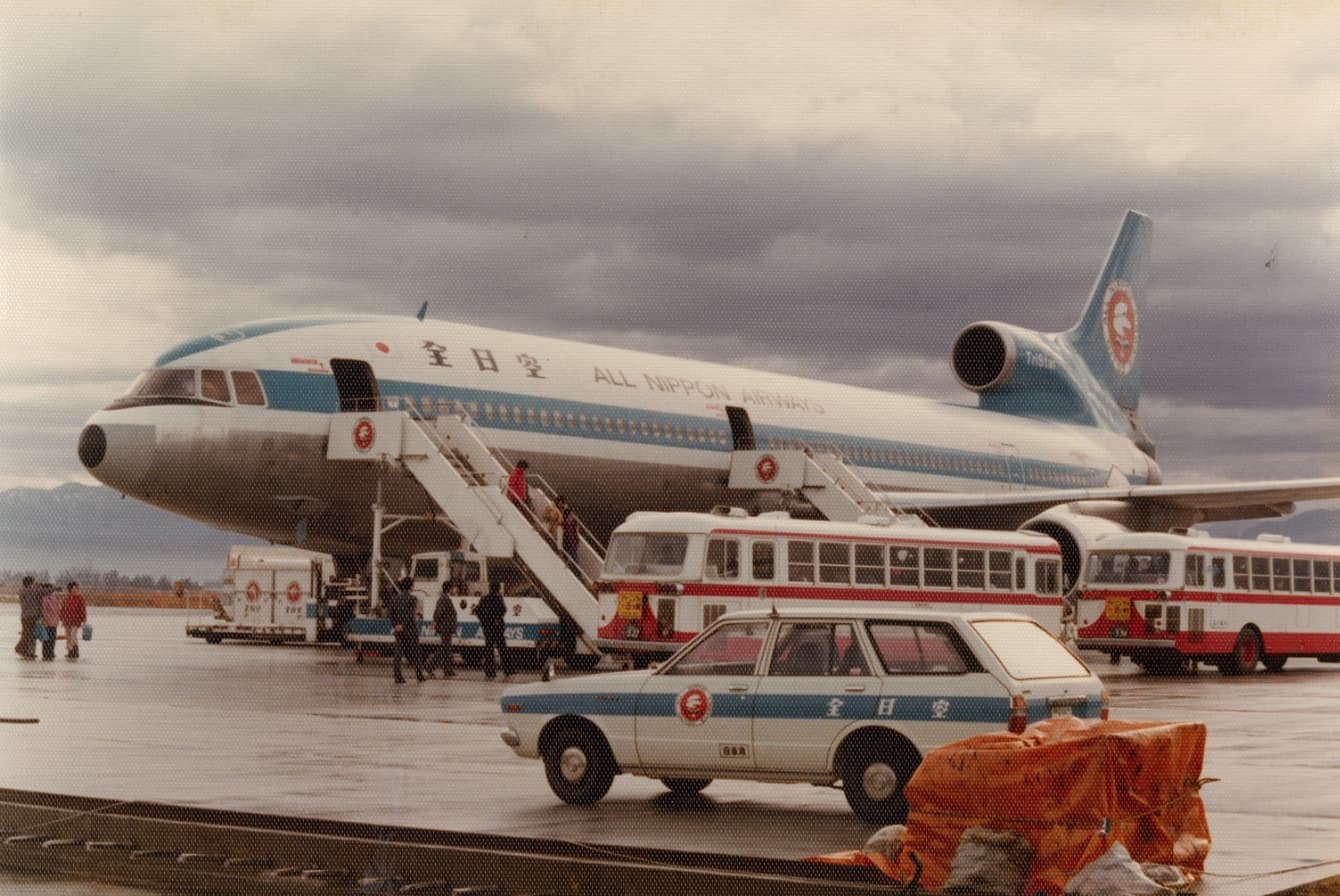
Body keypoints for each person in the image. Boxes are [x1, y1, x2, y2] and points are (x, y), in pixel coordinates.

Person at [383, 577, 424, 684]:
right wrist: (403, 624)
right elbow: (410, 614)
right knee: (416, 653)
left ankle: (397, 676)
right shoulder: (413, 599)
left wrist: (396, 625)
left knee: (398, 654)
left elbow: (390, 614)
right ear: (410, 586)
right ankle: (419, 675)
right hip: (410, 629)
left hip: (399, 630)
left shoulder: (394, 598)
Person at [473, 579, 512, 680]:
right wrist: (497, 618)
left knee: (489, 650)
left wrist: (483, 621)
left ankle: (490, 673)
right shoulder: (498, 598)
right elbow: (504, 610)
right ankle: (507, 671)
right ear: (498, 588)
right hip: (498, 628)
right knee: (502, 649)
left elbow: (477, 610)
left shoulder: (484, 598)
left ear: (489, 588)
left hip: (488, 628)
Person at [424, 580, 459, 678]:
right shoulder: (444, 599)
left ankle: (448, 670)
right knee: (444, 649)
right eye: (453, 587)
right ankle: (429, 666)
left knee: (447, 649)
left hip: (446, 627)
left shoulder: (445, 598)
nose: (455, 589)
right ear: (449, 588)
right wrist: (435, 622)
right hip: (445, 628)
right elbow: (439, 612)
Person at [59, 581, 88, 659]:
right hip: (67, 620)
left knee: (73, 636)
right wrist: (61, 618)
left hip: (76, 620)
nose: (76, 590)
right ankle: (70, 652)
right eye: (74, 588)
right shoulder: (66, 598)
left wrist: (84, 618)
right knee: (68, 637)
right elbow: (63, 609)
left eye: (77, 588)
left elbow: (83, 609)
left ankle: (75, 651)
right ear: (70, 589)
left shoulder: (80, 598)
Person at [14, 576, 41, 658]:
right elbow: (42, 591)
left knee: (28, 633)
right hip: (29, 616)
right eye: (33, 583)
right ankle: (19, 648)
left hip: (27, 616)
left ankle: (25, 650)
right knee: (27, 633)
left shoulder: (24, 591)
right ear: (30, 583)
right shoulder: (29, 591)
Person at [39, 583, 61, 661]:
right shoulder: (44, 599)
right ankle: (46, 653)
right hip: (47, 622)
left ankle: (50, 652)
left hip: (54, 621)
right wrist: (45, 620)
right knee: (46, 638)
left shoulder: (54, 598)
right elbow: (43, 611)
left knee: (52, 638)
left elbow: (58, 609)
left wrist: (58, 619)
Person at [561, 505, 582, 573]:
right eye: (571, 515)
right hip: (568, 547)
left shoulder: (573, 524)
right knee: (573, 563)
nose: (572, 517)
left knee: (575, 562)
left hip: (574, 546)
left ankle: (577, 574)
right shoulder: (563, 525)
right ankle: (577, 575)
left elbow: (576, 533)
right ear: (567, 516)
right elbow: (561, 538)